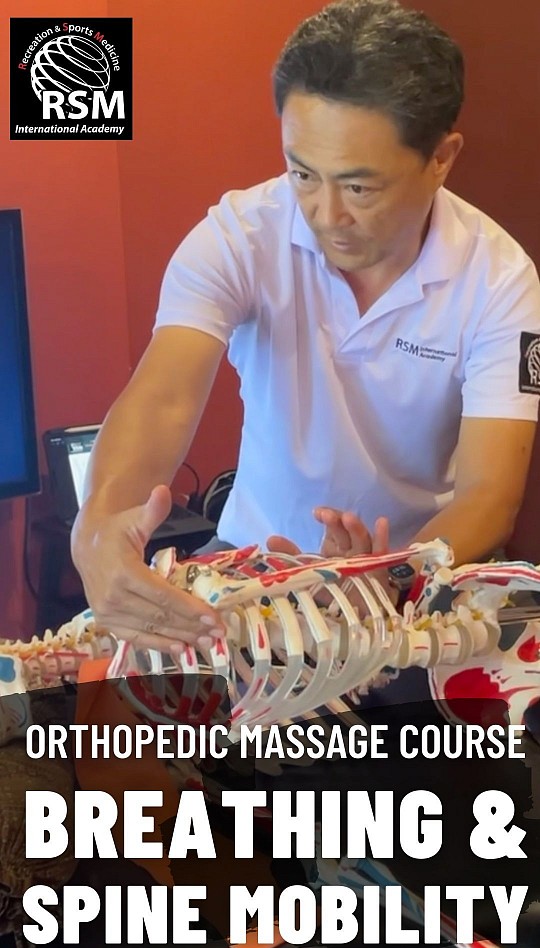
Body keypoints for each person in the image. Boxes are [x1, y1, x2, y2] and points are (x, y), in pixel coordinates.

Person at [72, 0, 540, 656]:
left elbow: (491, 494)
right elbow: (162, 399)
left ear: (441, 158)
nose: (325, 214)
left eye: (359, 188)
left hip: (416, 569)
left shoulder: (499, 278)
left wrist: (387, 575)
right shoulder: (238, 237)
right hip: (250, 555)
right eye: (303, 174)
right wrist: (96, 531)